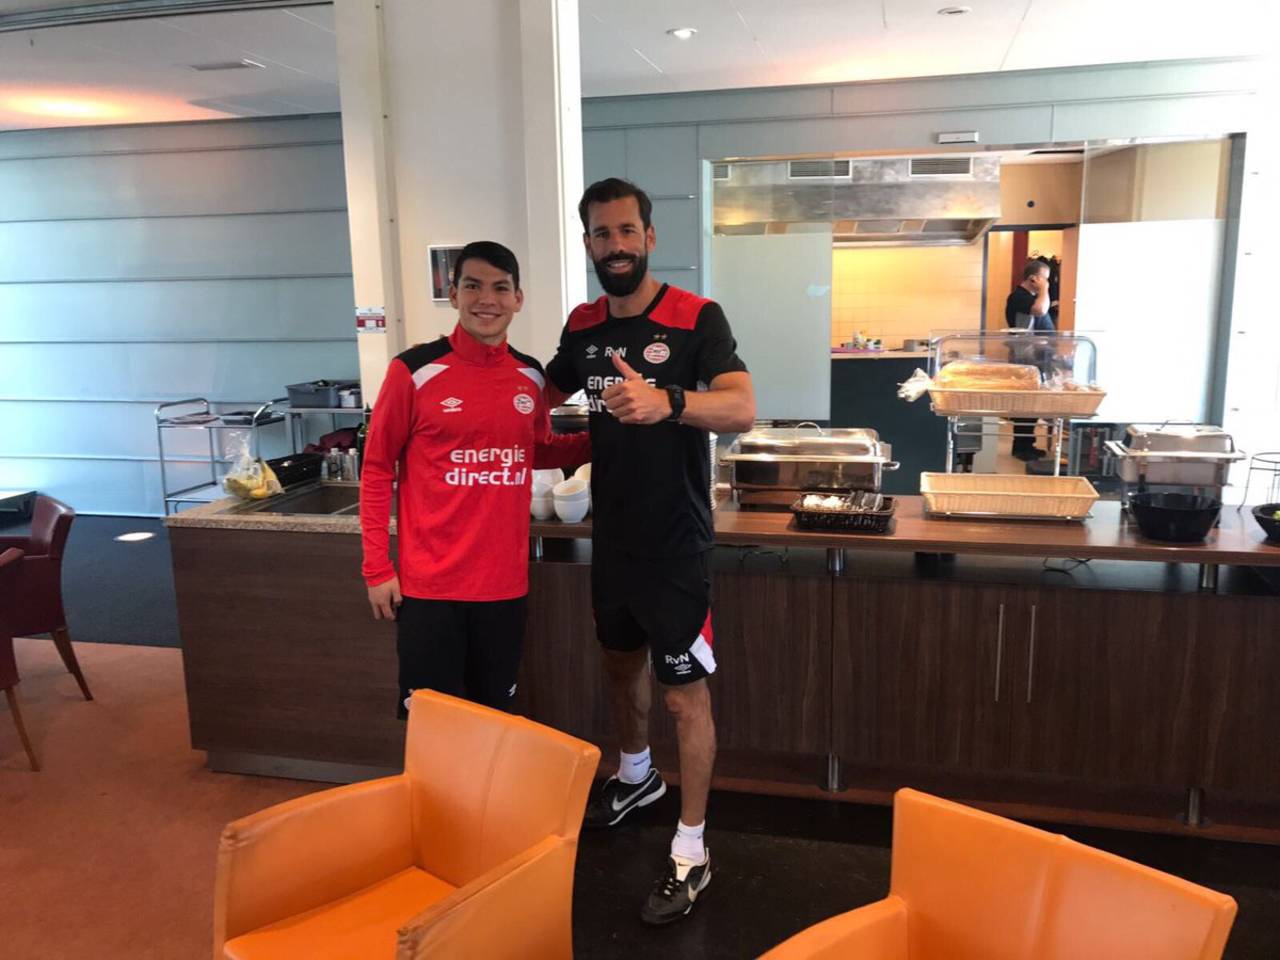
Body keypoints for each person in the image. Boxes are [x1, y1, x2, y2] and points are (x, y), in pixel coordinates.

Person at [545, 178, 756, 925]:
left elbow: (742, 406)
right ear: (588, 244)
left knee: (681, 697)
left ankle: (692, 850)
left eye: (627, 231)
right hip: (614, 540)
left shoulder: (696, 316)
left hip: (675, 546)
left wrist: (668, 401)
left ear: (650, 236)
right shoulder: (582, 326)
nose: (616, 246)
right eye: (602, 234)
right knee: (618, 663)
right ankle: (636, 777)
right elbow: (540, 393)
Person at [360, 241, 588, 718]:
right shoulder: (412, 370)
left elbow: (536, 448)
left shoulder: (529, 376)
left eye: (500, 288)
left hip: (504, 586)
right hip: (429, 589)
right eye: (473, 286)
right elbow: (377, 468)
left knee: (495, 721)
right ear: (453, 295)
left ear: (518, 299)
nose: (487, 299)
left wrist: (607, 439)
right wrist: (377, 568)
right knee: (433, 725)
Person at [1005, 259, 1055, 461]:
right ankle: (1021, 447)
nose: (1047, 283)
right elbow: (1040, 310)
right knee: (1025, 404)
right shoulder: (1018, 297)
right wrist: (1044, 289)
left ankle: (1028, 444)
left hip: (1036, 358)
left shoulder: (1032, 297)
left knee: (1033, 405)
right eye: (1045, 279)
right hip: (1026, 358)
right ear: (1033, 278)